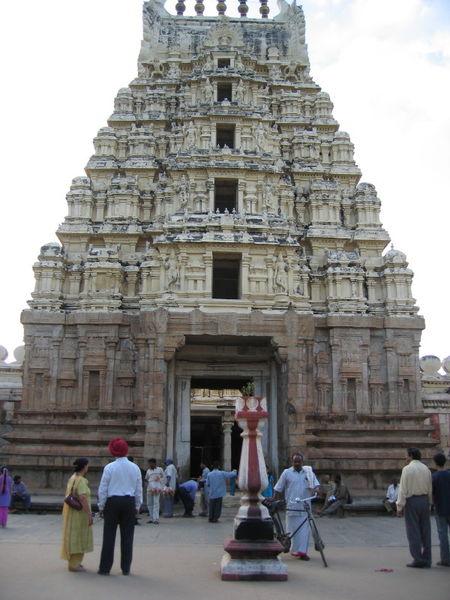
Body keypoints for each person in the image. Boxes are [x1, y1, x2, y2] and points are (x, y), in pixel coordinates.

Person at [97, 438, 143, 576]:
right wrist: (137, 506)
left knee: (109, 536)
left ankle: (105, 568)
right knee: (128, 537)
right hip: (129, 502)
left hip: (113, 502)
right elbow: (138, 488)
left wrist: (101, 506)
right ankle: (126, 568)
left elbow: (103, 489)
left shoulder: (109, 467)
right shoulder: (135, 468)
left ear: (113, 451)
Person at [274, 452, 320, 560]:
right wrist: (274, 499)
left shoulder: (308, 473)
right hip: (291, 506)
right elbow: (278, 487)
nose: (297, 463)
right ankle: (294, 550)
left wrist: (317, 489)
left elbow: (316, 484)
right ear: (292, 462)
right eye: (295, 461)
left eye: (299, 461)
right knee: (292, 530)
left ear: (302, 462)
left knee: (304, 531)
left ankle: (303, 552)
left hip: (305, 507)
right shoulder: (287, 473)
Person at [396, 447, 432, 568]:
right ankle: (427, 558)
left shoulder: (407, 469)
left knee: (413, 531)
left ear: (411, 456)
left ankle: (417, 558)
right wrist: (430, 503)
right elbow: (430, 488)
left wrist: (399, 506)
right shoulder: (426, 468)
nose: (405, 458)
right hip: (425, 500)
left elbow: (402, 489)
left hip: (412, 501)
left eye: (406, 455)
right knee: (426, 530)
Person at [60, 458, 93, 572]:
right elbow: (83, 498)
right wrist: (89, 514)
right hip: (80, 514)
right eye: (87, 466)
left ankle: (73, 563)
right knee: (79, 537)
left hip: (72, 513)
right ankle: (74, 564)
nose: (88, 468)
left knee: (73, 536)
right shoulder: (82, 480)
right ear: (84, 467)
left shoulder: (73, 478)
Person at [432, 452, 450, 567]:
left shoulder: (434, 477)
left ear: (435, 463)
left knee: (442, 535)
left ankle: (445, 559)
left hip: (440, 508)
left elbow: (431, 494)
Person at [145, 458, 164, 524]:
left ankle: (156, 519)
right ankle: (151, 518)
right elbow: (147, 479)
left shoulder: (160, 469)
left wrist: (160, 479)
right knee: (149, 503)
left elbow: (164, 477)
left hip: (157, 489)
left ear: (155, 463)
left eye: (151, 463)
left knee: (156, 503)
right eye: (149, 463)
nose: (150, 465)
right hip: (150, 489)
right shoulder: (148, 471)